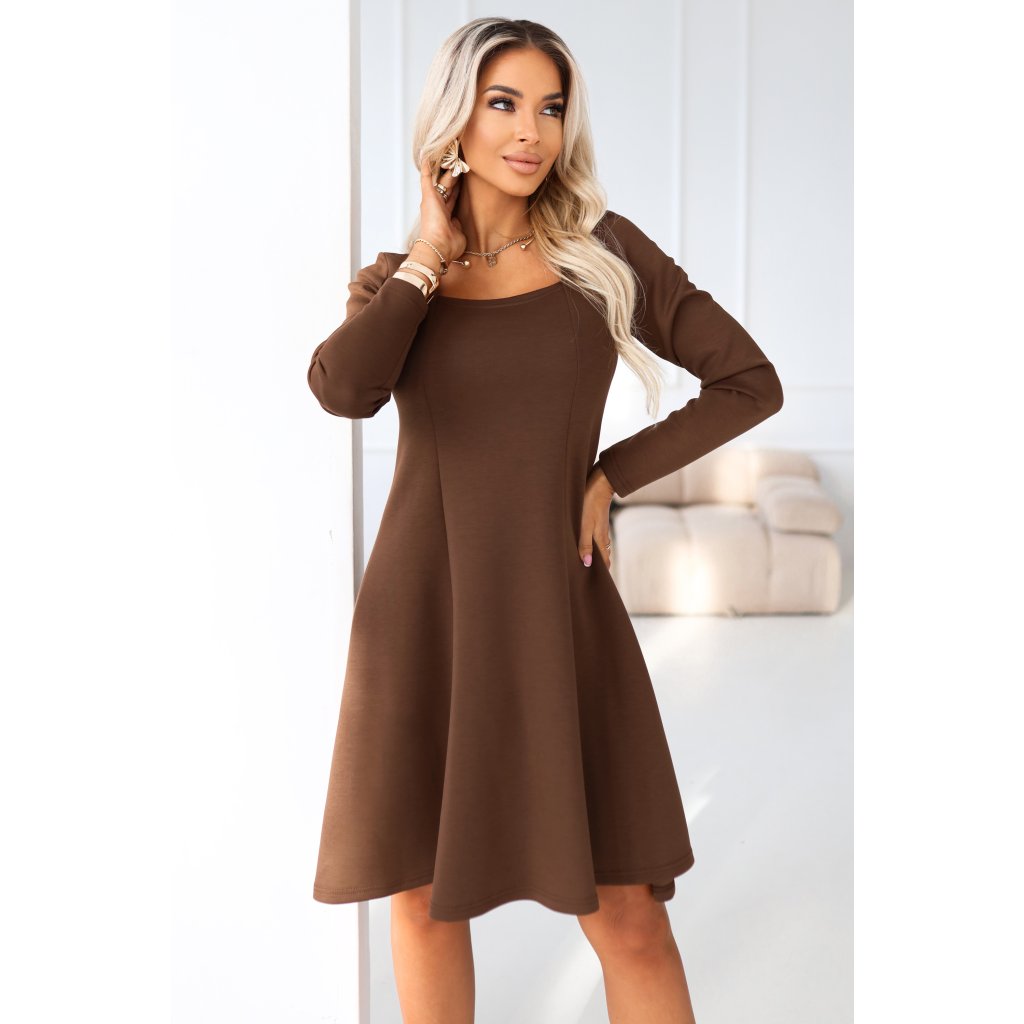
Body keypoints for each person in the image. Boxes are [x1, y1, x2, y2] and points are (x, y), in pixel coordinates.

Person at [307, 17, 783, 1024]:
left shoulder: (604, 254)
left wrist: (611, 474)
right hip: (424, 615)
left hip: (558, 614)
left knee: (630, 919)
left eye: (552, 107)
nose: (531, 132)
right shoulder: (400, 282)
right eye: (504, 103)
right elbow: (343, 390)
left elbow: (749, 381)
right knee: (421, 899)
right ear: (454, 120)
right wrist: (428, 256)